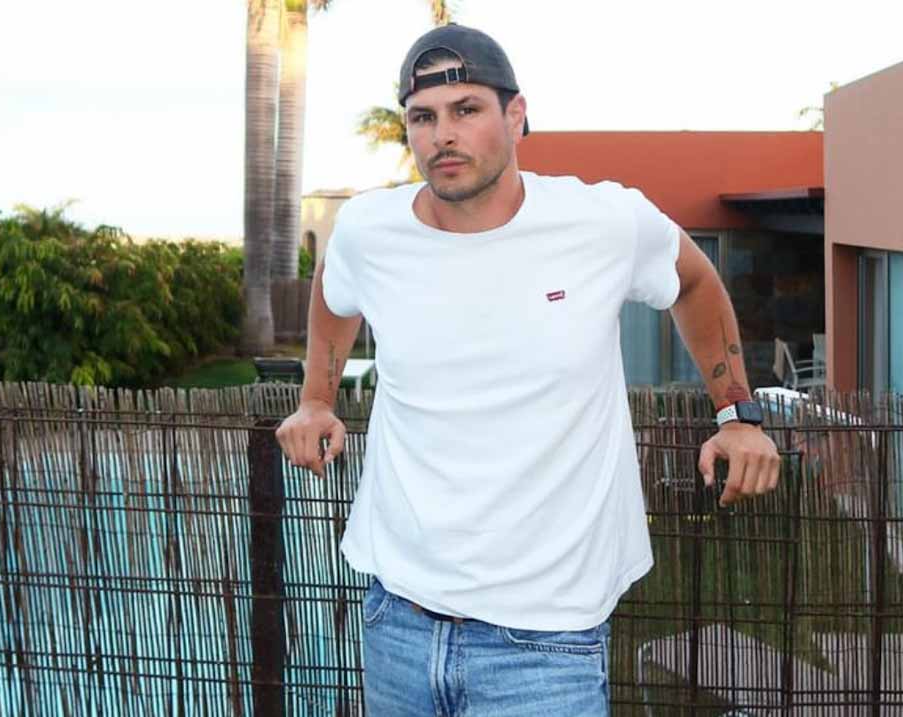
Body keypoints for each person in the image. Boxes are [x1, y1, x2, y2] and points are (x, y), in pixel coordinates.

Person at [275, 23, 780, 717]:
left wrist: (737, 413)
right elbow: (334, 295)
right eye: (423, 117)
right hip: (398, 620)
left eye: (466, 110)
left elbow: (693, 281)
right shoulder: (368, 231)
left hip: (547, 643)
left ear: (516, 116)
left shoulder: (602, 221)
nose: (443, 135)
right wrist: (316, 399)